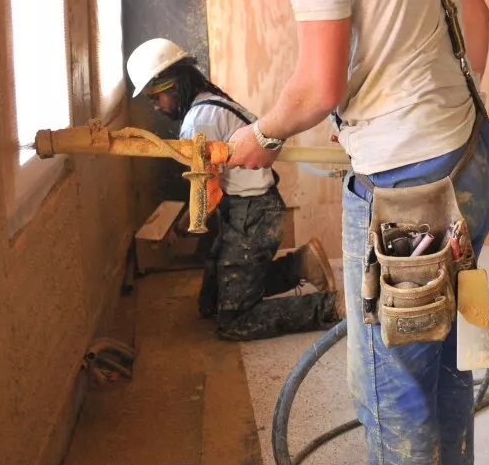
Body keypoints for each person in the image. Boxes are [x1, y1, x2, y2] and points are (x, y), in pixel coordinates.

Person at [221, 0, 489, 465]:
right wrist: (441, 104)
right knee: (451, 349)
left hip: (404, 186)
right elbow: (479, 19)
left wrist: (262, 135)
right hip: (473, 153)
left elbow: (318, 90)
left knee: (391, 379)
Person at [125, 38, 340, 341]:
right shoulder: (208, 104)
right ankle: (299, 265)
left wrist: (184, 226)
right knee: (211, 303)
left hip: (252, 214)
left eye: (155, 96)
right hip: (248, 208)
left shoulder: (199, 121)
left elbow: (207, 196)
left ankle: (332, 308)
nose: (156, 106)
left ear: (174, 85)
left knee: (234, 320)